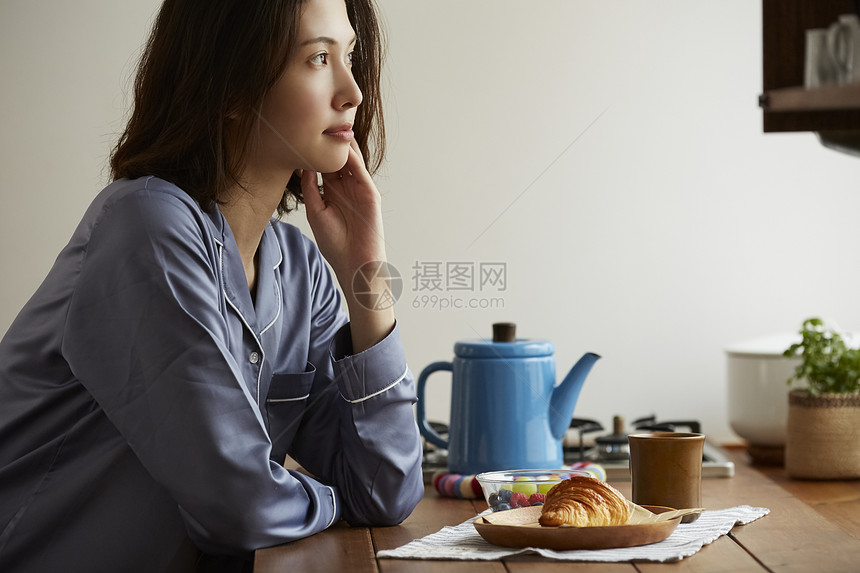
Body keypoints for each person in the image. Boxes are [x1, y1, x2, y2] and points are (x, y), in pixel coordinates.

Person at [0, 0, 424, 570]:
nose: (353, 91)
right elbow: (240, 506)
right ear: (231, 87)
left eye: (350, 56)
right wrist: (330, 499)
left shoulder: (297, 266)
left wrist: (366, 278)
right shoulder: (146, 226)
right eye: (319, 58)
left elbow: (384, 494)